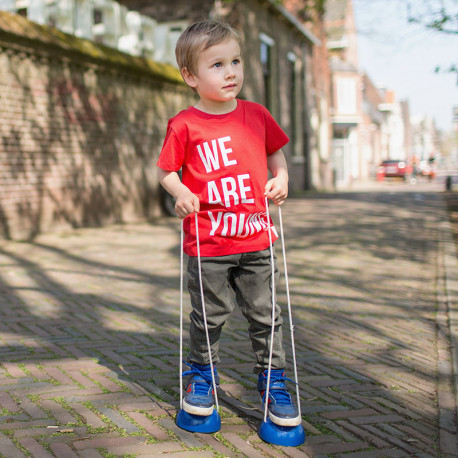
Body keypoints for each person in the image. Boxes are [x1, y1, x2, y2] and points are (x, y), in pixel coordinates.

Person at [157, 20, 300, 427]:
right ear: (190, 76)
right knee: (208, 315)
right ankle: (201, 376)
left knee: (265, 314)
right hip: (210, 245)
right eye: (217, 65)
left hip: (256, 238)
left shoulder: (256, 115)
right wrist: (181, 191)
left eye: (235, 61)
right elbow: (167, 171)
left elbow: (276, 154)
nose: (231, 71)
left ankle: (273, 382)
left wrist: (282, 178)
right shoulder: (184, 124)